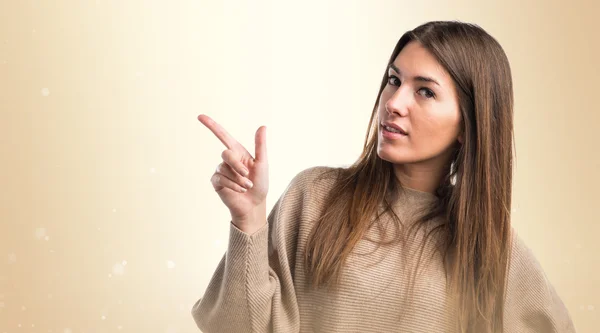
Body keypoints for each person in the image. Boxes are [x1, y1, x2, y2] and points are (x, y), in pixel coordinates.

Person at [191, 21, 576, 333]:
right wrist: (249, 218)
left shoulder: (490, 247)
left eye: (424, 92)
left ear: (468, 124)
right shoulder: (314, 196)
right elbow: (233, 328)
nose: (393, 103)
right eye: (394, 80)